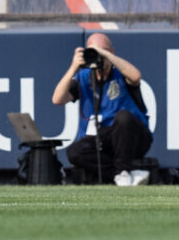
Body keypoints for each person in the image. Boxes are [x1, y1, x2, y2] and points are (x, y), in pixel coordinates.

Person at [51, 33, 153, 186]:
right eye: (93, 51)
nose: (99, 56)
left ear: (111, 51)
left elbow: (136, 76)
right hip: (103, 138)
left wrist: (106, 55)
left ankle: (123, 171)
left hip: (132, 136)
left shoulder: (121, 74)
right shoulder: (84, 78)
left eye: (103, 50)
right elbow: (57, 99)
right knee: (74, 151)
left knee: (123, 117)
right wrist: (73, 67)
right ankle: (124, 174)